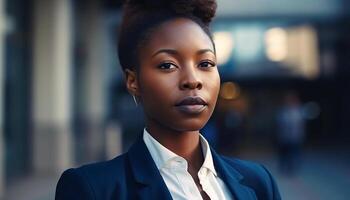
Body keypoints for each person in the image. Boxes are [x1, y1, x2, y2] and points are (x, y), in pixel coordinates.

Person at [55, 0, 281, 199]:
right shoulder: (93, 189)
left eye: (205, 64)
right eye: (167, 65)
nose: (192, 80)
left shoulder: (259, 183)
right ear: (133, 81)